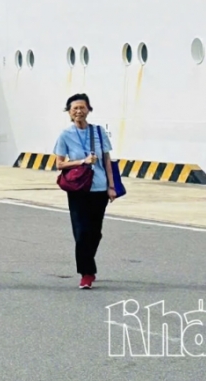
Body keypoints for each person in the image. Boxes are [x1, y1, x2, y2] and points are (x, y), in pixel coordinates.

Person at [53, 92, 117, 290]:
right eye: (75, 109)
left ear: (89, 109)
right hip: (78, 189)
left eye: (82, 107)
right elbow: (60, 164)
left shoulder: (98, 132)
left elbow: (107, 160)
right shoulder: (65, 135)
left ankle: (88, 262)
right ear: (69, 113)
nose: (79, 111)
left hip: (99, 188)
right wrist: (82, 161)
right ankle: (86, 273)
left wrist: (111, 186)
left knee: (95, 233)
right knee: (81, 233)